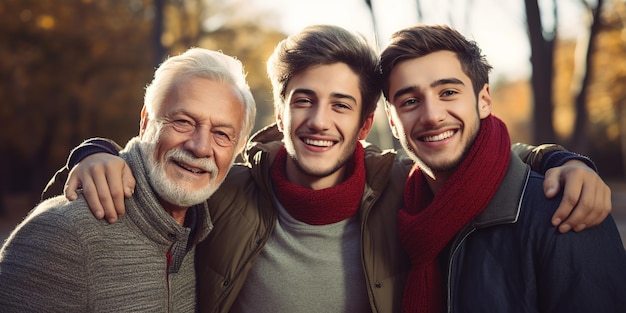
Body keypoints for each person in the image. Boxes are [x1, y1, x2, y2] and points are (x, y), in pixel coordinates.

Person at [60, 25, 611, 313]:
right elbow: (158, 173)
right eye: (303, 100)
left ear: (369, 118)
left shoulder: (399, 189)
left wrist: (562, 160)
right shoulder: (224, 190)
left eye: (342, 105)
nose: (319, 121)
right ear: (279, 111)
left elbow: (484, 166)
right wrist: (93, 155)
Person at [379, 24, 626, 313]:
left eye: (448, 92)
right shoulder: (390, 212)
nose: (432, 116)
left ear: (484, 101)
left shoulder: (568, 210)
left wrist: (567, 160)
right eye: (410, 101)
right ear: (392, 121)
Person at [0, 47, 256, 312]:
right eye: (183, 121)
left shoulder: (210, 233)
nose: (200, 147)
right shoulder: (62, 235)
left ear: (238, 148)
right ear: (145, 122)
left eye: (222, 134)